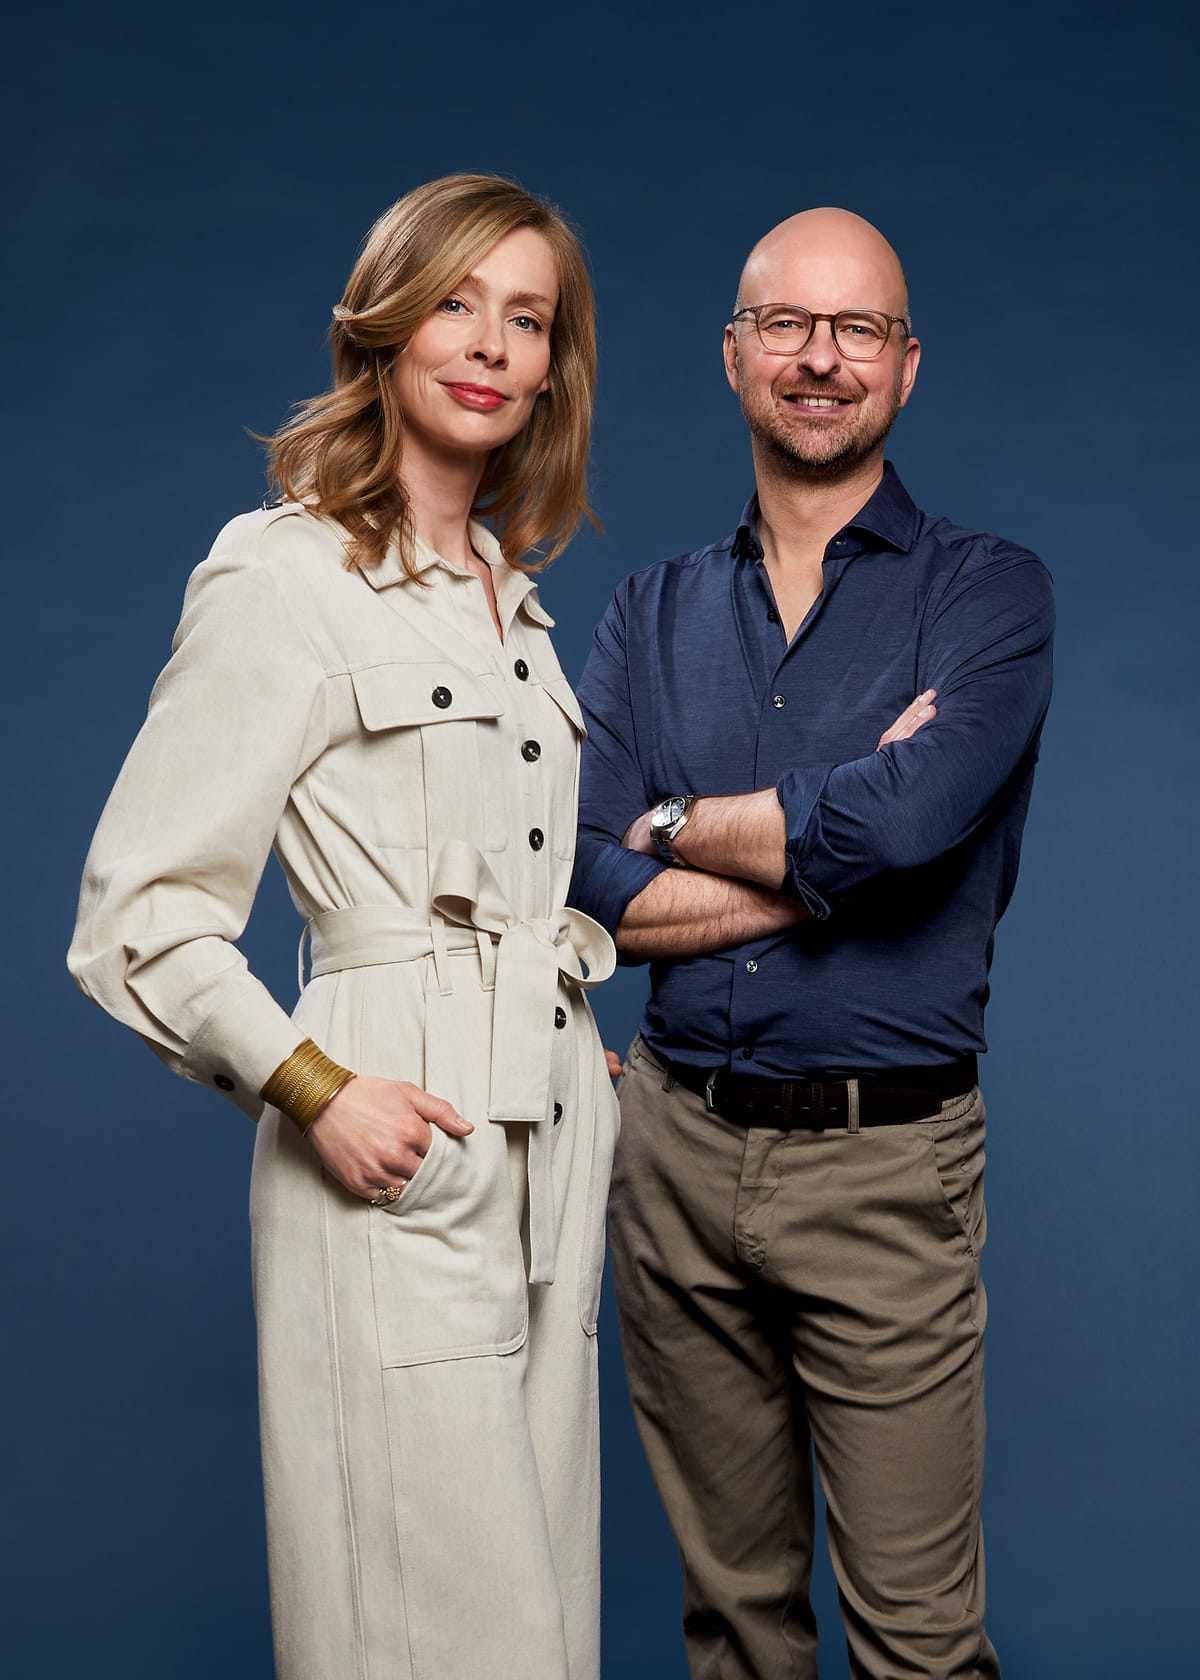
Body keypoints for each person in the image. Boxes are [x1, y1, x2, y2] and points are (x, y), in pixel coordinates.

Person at [68, 173, 619, 1680]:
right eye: (457, 303)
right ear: (384, 326)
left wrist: (551, 1031)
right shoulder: (285, 574)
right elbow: (141, 913)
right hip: (394, 1136)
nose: (491, 345)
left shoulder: (514, 609)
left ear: (554, 368)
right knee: (431, 1632)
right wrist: (312, 1087)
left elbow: (518, 887)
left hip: (549, 1156)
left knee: (541, 1633)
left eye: (529, 319)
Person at [569, 207, 1054, 1680]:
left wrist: (672, 821)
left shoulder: (989, 593)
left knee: (919, 1645)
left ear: (906, 365)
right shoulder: (648, 610)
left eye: (858, 330)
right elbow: (582, 879)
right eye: (787, 324)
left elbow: (911, 828)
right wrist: (827, 855)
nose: (821, 358)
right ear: (735, 355)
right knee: (735, 1629)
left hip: (886, 1168)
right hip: (670, 1154)